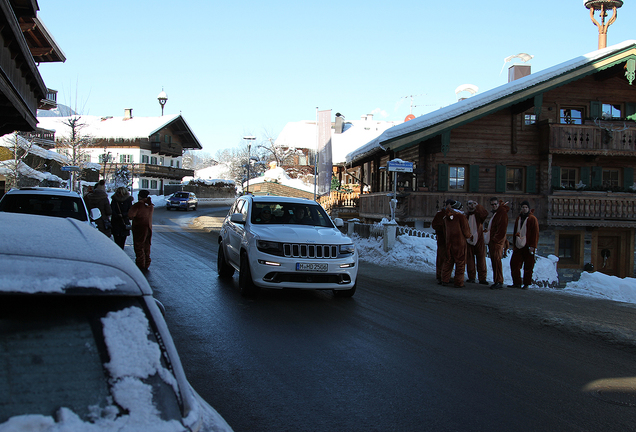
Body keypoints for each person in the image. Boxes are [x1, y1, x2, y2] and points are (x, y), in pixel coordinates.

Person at [440, 199, 471, 288]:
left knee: (448, 261)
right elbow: (466, 231)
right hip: (459, 243)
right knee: (460, 263)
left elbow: (444, 230)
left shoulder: (446, 217)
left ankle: (444, 279)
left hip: (449, 242)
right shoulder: (461, 217)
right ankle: (459, 282)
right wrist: (469, 236)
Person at [509, 201, 540, 289]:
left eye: (526, 207)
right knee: (514, 264)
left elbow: (535, 233)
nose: (524, 209)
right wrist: (515, 244)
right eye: (523, 207)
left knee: (528, 266)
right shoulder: (518, 219)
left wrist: (533, 246)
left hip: (528, 245)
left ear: (529, 208)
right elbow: (515, 231)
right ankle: (517, 282)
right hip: (519, 244)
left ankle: (526, 283)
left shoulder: (532, 219)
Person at [484, 197, 509, 290]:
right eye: (492, 204)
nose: (494, 206)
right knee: (494, 261)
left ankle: (499, 281)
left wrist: (495, 239)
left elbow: (502, 229)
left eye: (495, 204)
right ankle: (497, 280)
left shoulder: (501, 214)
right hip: (493, 241)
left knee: (497, 261)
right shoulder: (497, 214)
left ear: (498, 204)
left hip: (497, 242)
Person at [128, 190, 154, 272]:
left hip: (139, 228)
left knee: (139, 246)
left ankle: (140, 264)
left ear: (139, 196)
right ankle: (146, 263)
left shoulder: (138, 205)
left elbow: (130, 215)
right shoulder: (150, 205)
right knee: (147, 246)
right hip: (148, 228)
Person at [465, 199, 490, 285]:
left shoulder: (478, 215)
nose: (471, 205)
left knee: (481, 259)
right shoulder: (466, 216)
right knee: (470, 259)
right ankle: (471, 277)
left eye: (472, 204)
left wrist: (478, 206)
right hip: (469, 239)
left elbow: (485, 214)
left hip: (479, 239)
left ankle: (482, 278)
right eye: (469, 204)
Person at [431, 206, 447, 284]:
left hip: (450, 240)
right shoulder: (440, 214)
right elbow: (435, 225)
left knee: (448, 258)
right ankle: (440, 274)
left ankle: (445, 275)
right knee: (442, 257)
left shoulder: (454, 215)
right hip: (442, 239)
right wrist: (444, 228)